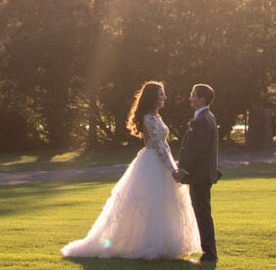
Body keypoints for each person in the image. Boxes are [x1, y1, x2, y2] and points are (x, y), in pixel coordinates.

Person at [60, 80, 202, 260]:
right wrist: (171, 169)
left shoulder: (157, 117)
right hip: (151, 163)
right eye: (161, 94)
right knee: (150, 202)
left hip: (162, 162)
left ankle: (164, 244)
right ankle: (148, 246)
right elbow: (158, 145)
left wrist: (174, 165)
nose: (164, 97)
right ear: (152, 98)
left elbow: (165, 145)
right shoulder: (147, 119)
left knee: (165, 203)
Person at [172, 82, 221, 261]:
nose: (190, 98)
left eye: (193, 95)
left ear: (202, 98)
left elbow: (199, 150)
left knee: (202, 213)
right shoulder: (205, 118)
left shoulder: (202, 120)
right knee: (201, 211)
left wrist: (184, 170)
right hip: (201, 175)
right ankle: (208, 251)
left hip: (200, 176)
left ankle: (209, 253)